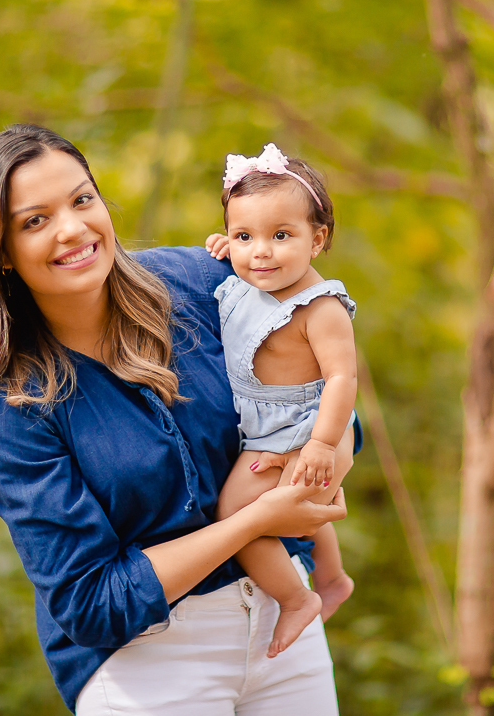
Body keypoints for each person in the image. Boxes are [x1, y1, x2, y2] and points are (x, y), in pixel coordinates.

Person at [0, 124, 350, 715]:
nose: (72, 228)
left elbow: (318, 382)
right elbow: (92, 601)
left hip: (283, 623)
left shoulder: (202, 283)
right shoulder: (16, 404)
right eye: (35, 220)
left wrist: (324, 452)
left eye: (81, 199)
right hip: (149, 665)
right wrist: (255, 518)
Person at [203, 144, 357, 659]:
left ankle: (297, 599)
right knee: (304, 505)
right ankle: (332, 578)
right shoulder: (251, 277)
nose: (260, 252)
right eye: (245, 236)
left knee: (235, 513)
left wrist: (321, 444)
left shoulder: (320, 307)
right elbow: (249, 252)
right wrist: (232, 247)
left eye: (280, 236)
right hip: (269, 425)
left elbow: (341, 377)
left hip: (306, 425)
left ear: (318, 240)